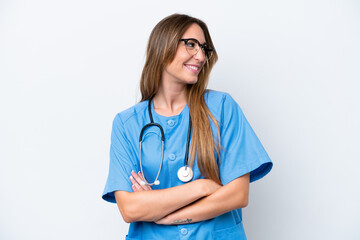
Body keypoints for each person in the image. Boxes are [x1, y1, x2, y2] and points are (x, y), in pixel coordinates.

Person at [102, 13, 273, 240]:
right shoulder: (127, 124)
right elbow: (130, 209)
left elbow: (238, 195)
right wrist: (201, 187)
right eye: (191, 45)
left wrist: (165, 214)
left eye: (204, 48)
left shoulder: (221, 107)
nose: (200, 56)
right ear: (163, 45)